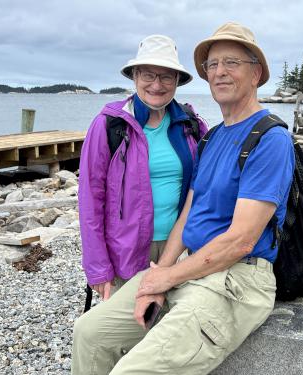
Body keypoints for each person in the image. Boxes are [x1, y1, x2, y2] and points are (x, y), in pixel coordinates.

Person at [72, 22, 295, 375]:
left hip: (235, 278)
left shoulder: (269, 139)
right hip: (189, 266)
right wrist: (160, 274)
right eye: (213, 64)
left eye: (232, 63)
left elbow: (240, 241)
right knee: (89, 332)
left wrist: (167, 277)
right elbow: (188, 213)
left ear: (257, 73)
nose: (220, 72)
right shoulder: (213, 136)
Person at [78, 34, 207, 302]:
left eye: (166, 77)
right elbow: (90, 200)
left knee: (170, 331)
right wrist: (98, 267)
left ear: (177, 81)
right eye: (148, 75)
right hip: (126, 251)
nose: (156, 85)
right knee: (128, 332)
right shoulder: (109, 125)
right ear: (135, 76)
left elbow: (206, 187)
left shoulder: (191, 124)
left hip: (182, 248)